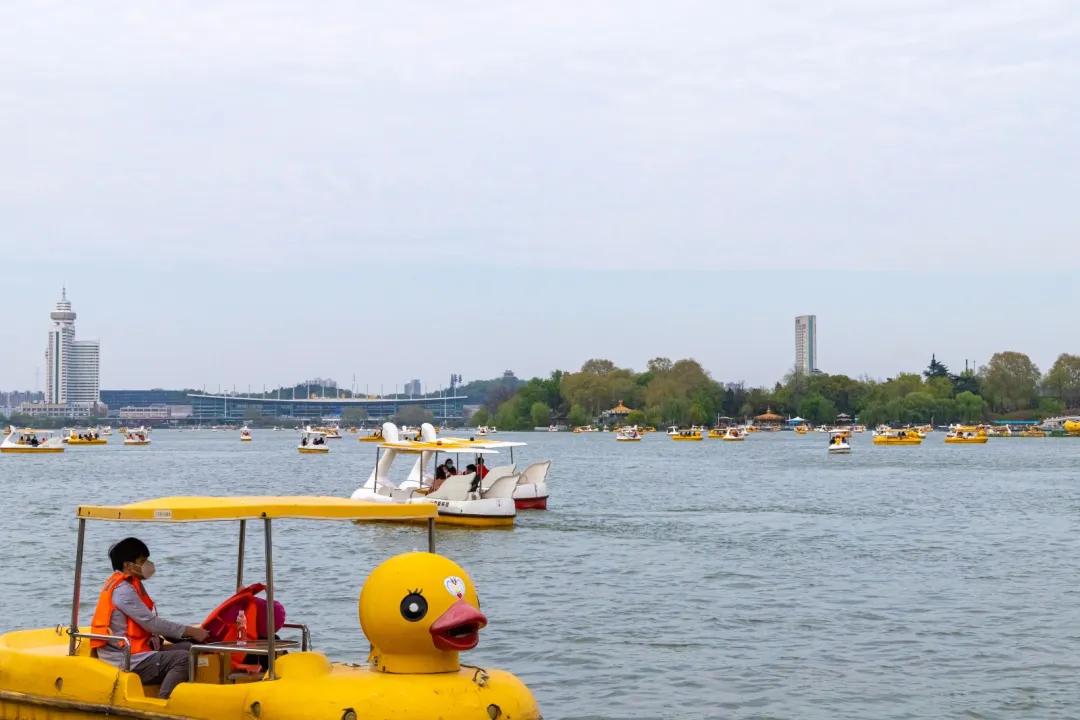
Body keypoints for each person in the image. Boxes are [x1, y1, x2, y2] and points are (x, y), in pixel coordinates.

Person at [90, 537, 209, 699]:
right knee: (183, 658)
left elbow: (149, 623)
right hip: (125, 658)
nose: (148, 565)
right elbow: (151, 623)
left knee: (189, 647)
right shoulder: (123, 591)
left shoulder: (130, 583)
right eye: (143, 561)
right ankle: (165, 701)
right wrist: (191, 631)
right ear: (128, 565)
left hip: (136, 650)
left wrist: (183, 636)